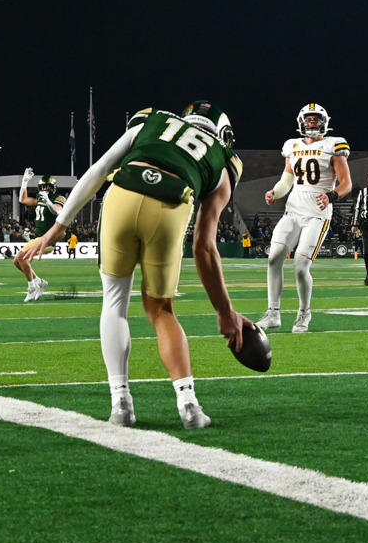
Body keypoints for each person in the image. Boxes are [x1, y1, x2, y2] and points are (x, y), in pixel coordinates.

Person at [17, 101, 248, 429]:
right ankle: (188, 405)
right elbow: (205, 247)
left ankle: (121, 404)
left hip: (122, 195)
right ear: (223, 134)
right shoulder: (223, 163)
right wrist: (225, 312)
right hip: (170, 206)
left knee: (114, 303)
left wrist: (59, 227)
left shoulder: (151, 122)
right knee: (161, 311)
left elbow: (98, 170)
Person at [259, 103, 351, 333]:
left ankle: (304, 313)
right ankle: (273, 314)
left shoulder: (333, 145)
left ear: (324, 122)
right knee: (274, 258)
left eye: (316, 120)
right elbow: (287, 181)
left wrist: (331, 195)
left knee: (300, 266)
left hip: (317, 214)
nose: (312, 123)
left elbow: (346, 183)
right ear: (302, 122)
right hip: (293, 210)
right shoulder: (292, 145)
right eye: (308, 120)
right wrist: (275, 193)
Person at [16, 170, 66, 301]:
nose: (45, 189)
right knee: (17, 261)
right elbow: (23, 199)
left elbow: (57, 212)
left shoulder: (58, 198)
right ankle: (39, 282)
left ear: (53, 187)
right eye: (43, 186)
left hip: (48, 239)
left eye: (48, 186)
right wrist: (24, 181)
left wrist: (48, 200)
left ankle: (32, 287)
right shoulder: (39, 198)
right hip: (38, 238)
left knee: (21, 257)